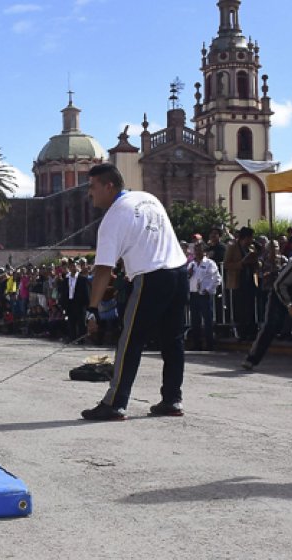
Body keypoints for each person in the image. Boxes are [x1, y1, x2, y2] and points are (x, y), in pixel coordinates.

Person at [79, 164, 188, 421]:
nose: (89, 194)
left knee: (130, 341)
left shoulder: (112, 219)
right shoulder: (148, 197)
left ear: (109, 186)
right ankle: (172, 399)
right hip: (179, 271)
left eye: (93, 187)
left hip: (151, 277)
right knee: (173, 340)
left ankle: (116, 403)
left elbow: (103, 269)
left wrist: (92, 308)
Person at [223, 227, 260, 342]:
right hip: (238, 281)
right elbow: (226, 264)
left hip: (250, 280)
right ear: (245, 238)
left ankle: (252, 332)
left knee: (250, 307)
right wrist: (241, 263)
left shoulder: (251, 248)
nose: (251, 240)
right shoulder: (232, 247)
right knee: (240, 308)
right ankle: (242, 332)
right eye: (250, 238)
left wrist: (256, 262)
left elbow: (257, 263)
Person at [187, 243, 221, 351]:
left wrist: (209, 289)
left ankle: (209, 344)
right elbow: (187, 278)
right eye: (196, 250)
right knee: (195, 320)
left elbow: (217, 279)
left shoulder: (210, 263)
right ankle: (197, 344)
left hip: (204, 295)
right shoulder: (191, 264)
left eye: (199, 250)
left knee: (207, 320)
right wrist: (189, 274)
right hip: (193, 294)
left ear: (204, 251)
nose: (197, 252)